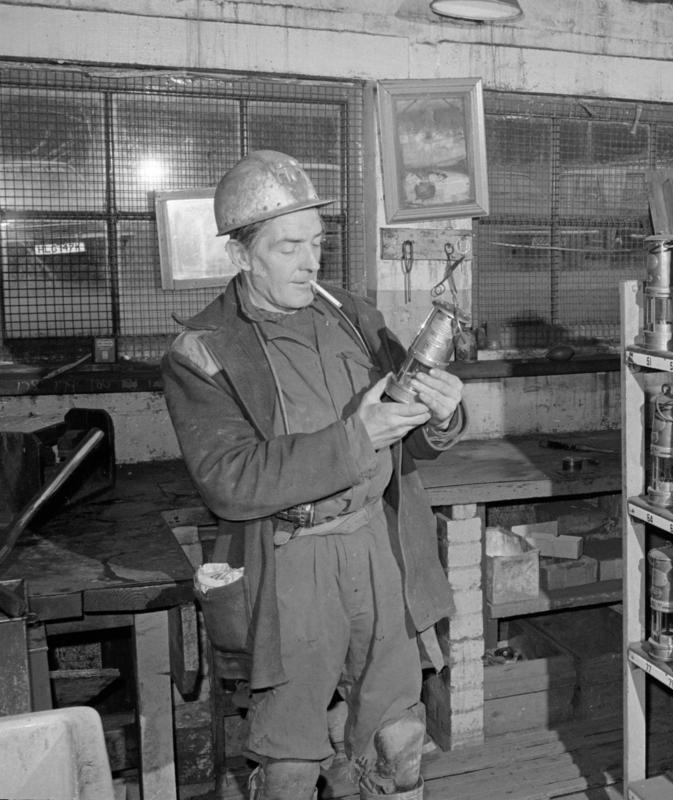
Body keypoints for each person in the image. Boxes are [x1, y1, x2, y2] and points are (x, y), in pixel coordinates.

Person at [162, 150, 464, 800]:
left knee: (399, 741)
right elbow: (231, 479)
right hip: (289, 563)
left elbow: (412, 434)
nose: (310, 262)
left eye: (317, 244)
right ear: (243, 255)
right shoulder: (203, 351)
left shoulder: (351, 317)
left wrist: (441, 414)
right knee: (290, 763)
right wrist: (354, 439)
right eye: (289, 247)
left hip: (379, 550)